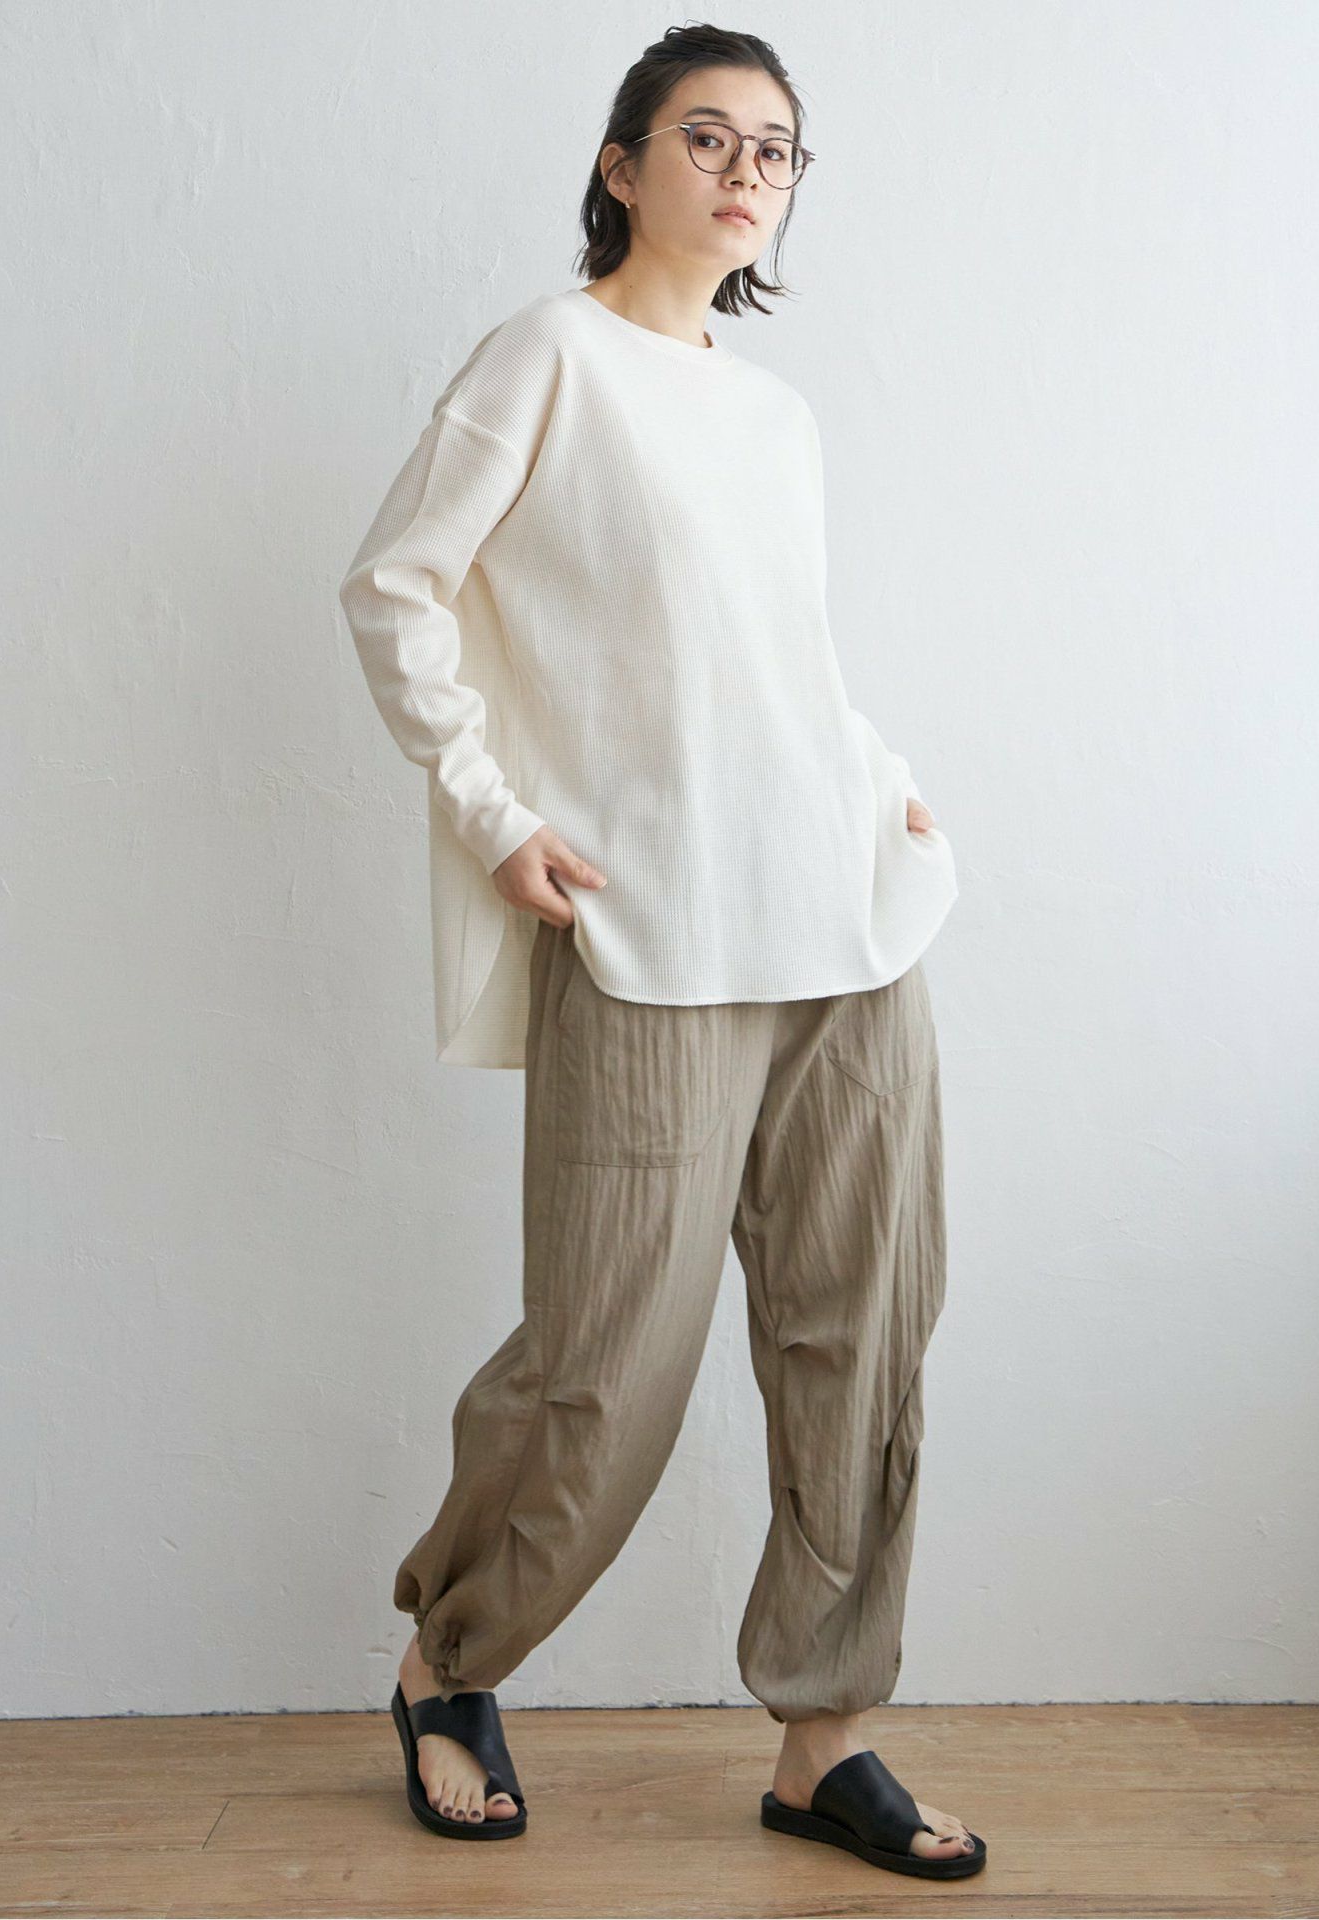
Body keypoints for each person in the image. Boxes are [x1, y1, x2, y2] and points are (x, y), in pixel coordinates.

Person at [338, 23, 982, 1882]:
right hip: (645, 931)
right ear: (622, 165)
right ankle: (451, 1661)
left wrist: (887, 787)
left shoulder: (776, 418)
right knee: (604, 1358)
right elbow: (393, 588)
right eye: (707, 136)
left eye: (776, 149)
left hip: (845, 918)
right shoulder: (544, 359)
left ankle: (824, 1736)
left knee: (863, 1335)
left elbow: (777, 668)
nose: (745, 171)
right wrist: (493, 813)